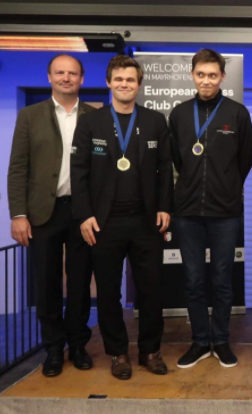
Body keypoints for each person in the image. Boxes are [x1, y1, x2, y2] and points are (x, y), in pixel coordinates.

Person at [71, 55, 173, 380]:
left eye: (130, 80)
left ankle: (150, 351)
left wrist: (165, 206)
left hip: (146, 221)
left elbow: (165, 169)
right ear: (108, 83)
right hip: (105, 223)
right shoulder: (91, 122)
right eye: (118, 79)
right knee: (108, 292)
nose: (124, 84)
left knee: (151, 290)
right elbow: (79, 172)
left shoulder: (155, 121)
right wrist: (84, 215)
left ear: (139, 85)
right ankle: (117, 353)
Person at [7, 54, 95, 377]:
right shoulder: (29, 116)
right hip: (43, 213)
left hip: (82, 212)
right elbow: (18, 168)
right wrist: (18, 214)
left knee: (81, 282)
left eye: (72, 73)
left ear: (81, 79)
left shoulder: (94, 117)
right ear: (49, 77)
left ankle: (78, 344)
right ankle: (54, 349)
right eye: (60, 72)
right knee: (46, 284)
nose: (66, 78)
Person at [169, 49, 252, 369]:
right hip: (187, 212)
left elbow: (244, 160)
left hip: (225, 213)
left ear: (222, 77)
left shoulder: (237, 113)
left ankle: (220, 340)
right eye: (201, 74)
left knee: (221, 280)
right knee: (193, 281)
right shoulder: (179, 114)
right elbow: (176, 160)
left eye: (213, 75)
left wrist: (226, 187)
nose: (206, 80)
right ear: (192, 75)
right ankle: (199, 342)